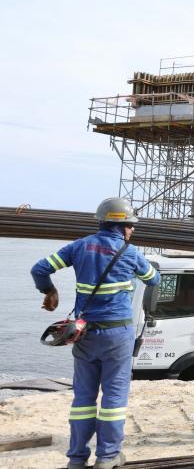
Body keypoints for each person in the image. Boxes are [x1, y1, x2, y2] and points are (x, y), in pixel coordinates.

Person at [31, 198, 160, 469]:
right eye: (131, 226)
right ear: (123, 226)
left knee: (83, 399)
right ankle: (107, 456)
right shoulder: (130, 252)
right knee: (114, 397)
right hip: (117, 333)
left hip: (85, 332)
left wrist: (50, 291)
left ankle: (77, 459)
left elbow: (40, 269)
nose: (133, 231)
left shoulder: (80, 246)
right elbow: (154, 279)